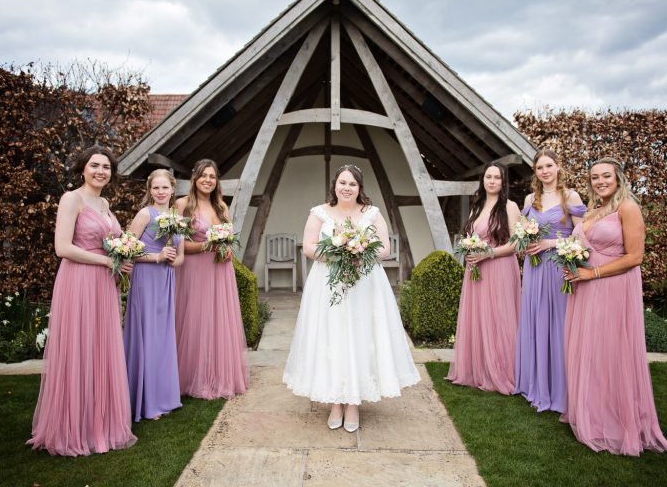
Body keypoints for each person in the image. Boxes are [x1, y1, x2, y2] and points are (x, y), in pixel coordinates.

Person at [283, 165, 420, 432]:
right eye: (342, 182)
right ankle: (336, 400)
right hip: (328, 284)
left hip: (365, 284)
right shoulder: (319, 213)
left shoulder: (371, 213)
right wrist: (337, 255)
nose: (346, 188)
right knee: (331, 337)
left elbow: (385, 247)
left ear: (360, 188)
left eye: (352, 184)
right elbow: (309, 247)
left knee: (360, 336)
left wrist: (360, 254)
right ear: (335, 185)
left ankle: (354, 403)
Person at [27, 145, 136, 456]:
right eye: (95, 165)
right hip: (78, 282)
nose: (101, 171)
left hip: (104, 285)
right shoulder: (71, 199)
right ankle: (73, 426)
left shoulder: (104, 202)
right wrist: (105, 262)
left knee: (101, 349)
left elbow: (110, 244)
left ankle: (99, 423)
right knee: (79, 349)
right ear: (83, 169)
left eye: (106, 167)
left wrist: (120, 259)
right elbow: (62, 247)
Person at [561, 157, 667, 455]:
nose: (600, 181)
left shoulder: (628, 208)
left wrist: (592, 272)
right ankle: (592, 413)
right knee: (589, 351)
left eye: (606, 176)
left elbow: (634, 257)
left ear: (618, 178)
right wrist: (571, 265)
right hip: (584, 290)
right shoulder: (593, 210)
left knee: (611, 351)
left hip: (611, 290)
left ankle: (615, 420)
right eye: (595, 177)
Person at [513, 150, 586, 412]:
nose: (544, 171)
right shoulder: (531, 198)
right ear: (535, 171)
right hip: (534, 268)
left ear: (558, 167)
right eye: (539, 167)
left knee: (559, 323)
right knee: (535, 321)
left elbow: (583, 237)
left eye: (549, 165)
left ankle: (561, 388)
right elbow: (522, 231)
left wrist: (550, 243)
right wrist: (524, 244)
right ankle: (536, 383)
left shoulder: (571, 196)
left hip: (557, 267)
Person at [174, 159, 249, 399]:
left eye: (212, 176)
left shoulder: (221, 208)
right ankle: (194, 377)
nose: (208, 180)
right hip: (196, 270)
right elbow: (179, 244)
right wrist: (207, 245)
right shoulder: (182, 205)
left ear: (217, 181)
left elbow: (227, 239)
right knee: (197, 320)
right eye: (203, 175)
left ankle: (218, 376)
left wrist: (227, 248)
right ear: (195, 178)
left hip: (220, 270)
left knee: (218, 321)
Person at [447, 161, 521, 394]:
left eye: (496, 178)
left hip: (499, 267)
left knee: (499, 318)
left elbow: (516, 244)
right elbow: (470, 236)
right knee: (479, 318)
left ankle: (501, 372)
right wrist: (470, 251)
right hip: (476, 271)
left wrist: (486, 253)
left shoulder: (509, 206)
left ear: (503, 181)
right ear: (483, 180)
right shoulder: (477, 207)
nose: (491, 181)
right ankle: (478, 369)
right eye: (488, 177)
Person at [123, 169, 184, 421]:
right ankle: (145, 401)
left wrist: (172, 260)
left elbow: (180, 257)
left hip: (166, 279)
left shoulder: (176, 217)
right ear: (150, 190)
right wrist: (156, 256)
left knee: (162, 337)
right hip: (146, 279)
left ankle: (164, 397)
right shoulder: (145, 214)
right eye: (155, 188)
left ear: (172, 190)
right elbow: (126, 250)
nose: (160, 192)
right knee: (147, 334)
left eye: (165, 188)